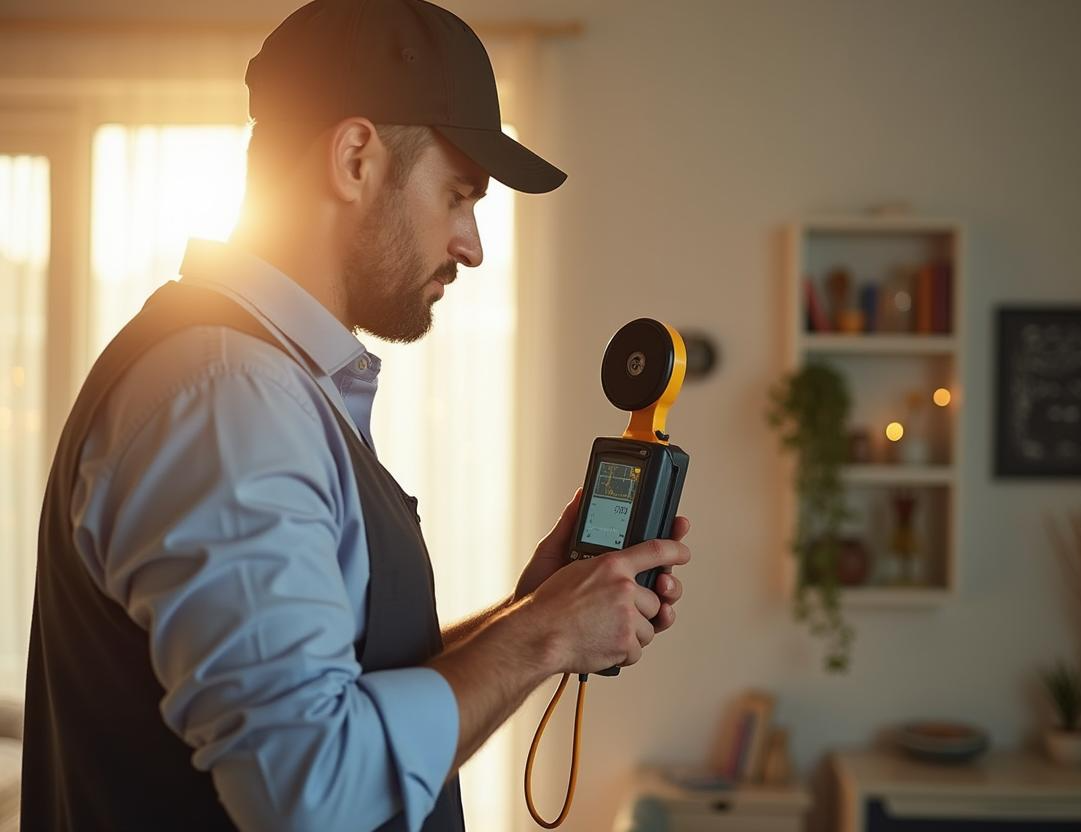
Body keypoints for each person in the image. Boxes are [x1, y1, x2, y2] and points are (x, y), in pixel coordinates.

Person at [21, 1, 692, 830]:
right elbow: (311, 790)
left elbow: (334, 692)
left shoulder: (262, 382)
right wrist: (546, 638)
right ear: (354, 159)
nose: (473, 244)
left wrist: (532, 609)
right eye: (458, 194)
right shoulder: (228, 399)